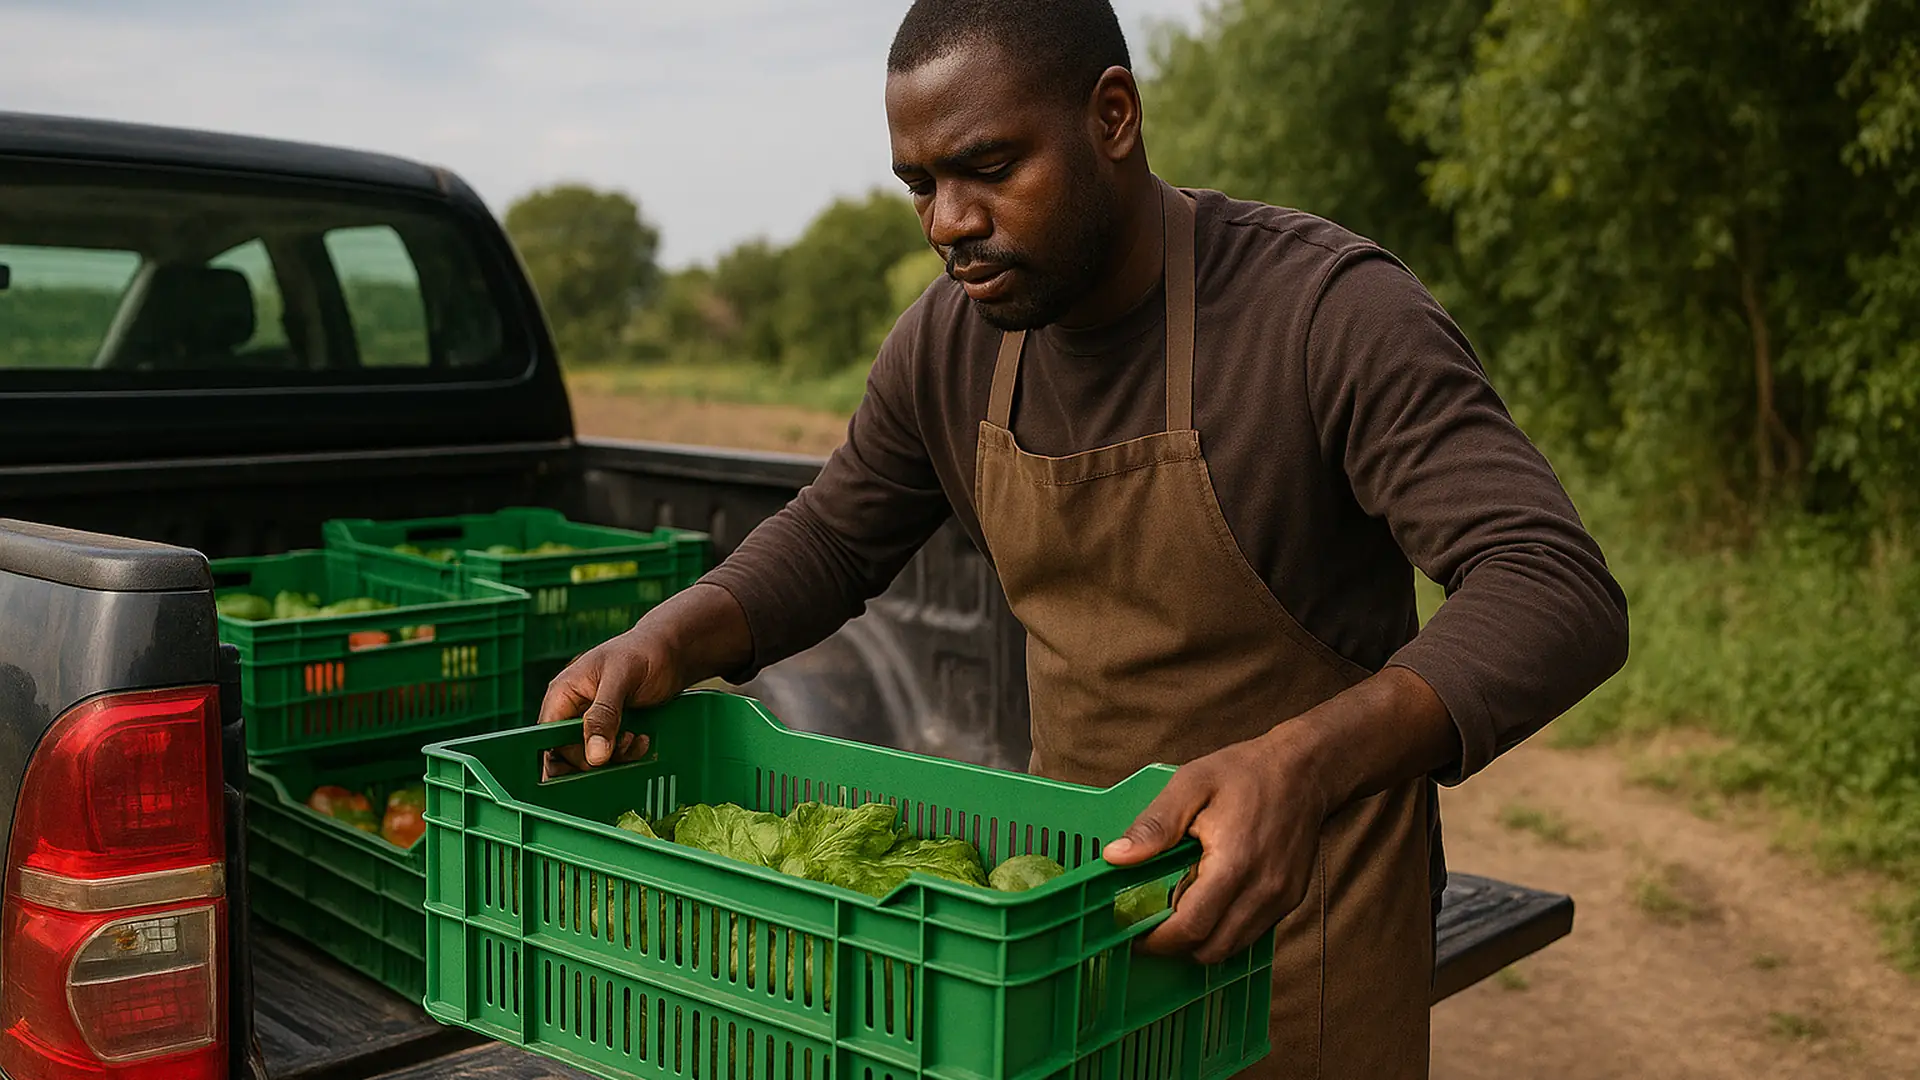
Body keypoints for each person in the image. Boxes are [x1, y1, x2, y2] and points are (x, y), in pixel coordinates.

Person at [539, 0, 1630, 1074]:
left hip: (1302, 937)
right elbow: (834, 536)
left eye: (988, 168)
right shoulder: (948, 345)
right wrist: (669, 638)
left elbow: (1552, 586)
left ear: (1113, 117)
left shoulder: (1323, 313)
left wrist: (1298, 768)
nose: (947, 222)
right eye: (920, 185)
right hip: (1064, 925)